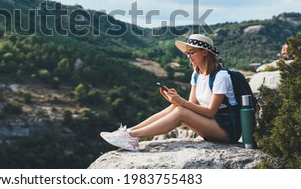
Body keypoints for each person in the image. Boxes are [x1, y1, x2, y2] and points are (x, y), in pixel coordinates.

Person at [100, 34, 240, 151]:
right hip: (211, 124)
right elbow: (191, 104)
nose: (189, 56)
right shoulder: (196, 75)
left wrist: (181, 102)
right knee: (176, 107)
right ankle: (127, 132)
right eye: (188, 53)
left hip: (226, 128)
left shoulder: (220, 76)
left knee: (181, 111)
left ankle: (132, 136)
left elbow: (210, 112)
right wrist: (175, 100)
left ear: (205, 52)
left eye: (192, 52)